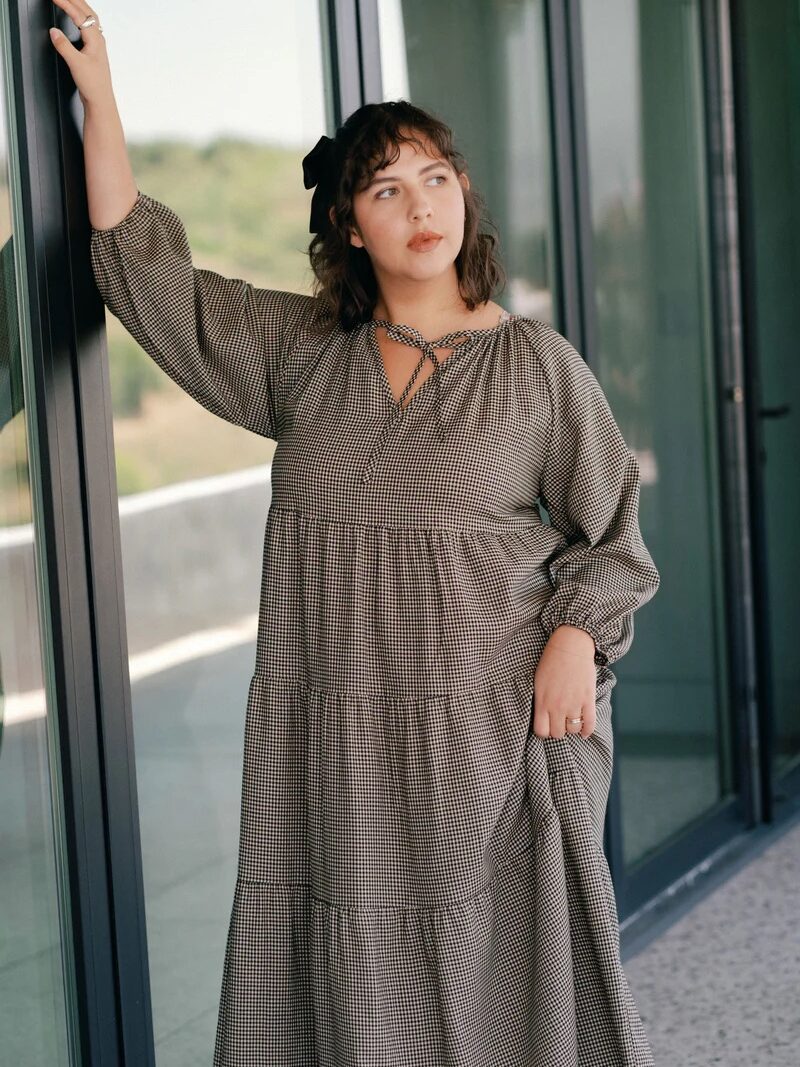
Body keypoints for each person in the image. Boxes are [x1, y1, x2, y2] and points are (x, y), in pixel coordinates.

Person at [51, 5, 661, 1065]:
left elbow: (612, 532)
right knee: (352, 973)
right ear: (348, 225)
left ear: (463, 196)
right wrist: (102, 95)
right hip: (331, 733)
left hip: (483, 729)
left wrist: (574, 635)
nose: (418, 205)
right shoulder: (301, 354)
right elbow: (148, 277)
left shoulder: (535, 364)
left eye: (433, 177)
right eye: (385, 189)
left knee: (487, 973)